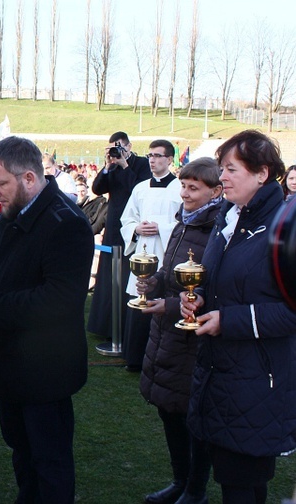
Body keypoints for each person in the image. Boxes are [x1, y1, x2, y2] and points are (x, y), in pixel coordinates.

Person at [0, 136, 93, 503]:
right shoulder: (15, 211)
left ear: (28, 178)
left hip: (46, 369)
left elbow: (60, 299)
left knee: (50, 462)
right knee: (23, 454)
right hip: (11, 363)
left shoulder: (66, 223)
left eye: (0, 183)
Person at [181, 130, 296, 504]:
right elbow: (220, 283)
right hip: (218, 373)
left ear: (262, 174)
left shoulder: (286, 225)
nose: (222, 177)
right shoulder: (229, 217)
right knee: (231, 477)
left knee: (243, 484)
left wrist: (227, 321)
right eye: (220, 168)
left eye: (231, 169)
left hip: (258, 382)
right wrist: (194, 300)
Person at [136, 157, 223, 504]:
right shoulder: (182, 223)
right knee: (168, 409)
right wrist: (152, 282)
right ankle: (179, 481)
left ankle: (195, 491)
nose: (184, 194)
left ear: (216, 191)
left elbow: (212, 291)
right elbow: (175, 274)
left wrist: (171, 306)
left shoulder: (218, 230)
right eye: (183, 186)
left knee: (192, 417)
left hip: (193, 338)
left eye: (193, 188)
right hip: (166, 334)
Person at [120, 139, 182, 370]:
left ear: (169, 159)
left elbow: (183, 222)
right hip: (142, 253)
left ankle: (160, 358)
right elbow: (127, 218)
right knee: (139, 303)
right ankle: (134, 358)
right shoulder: (140, 188)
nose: (153, 160)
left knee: (162, 302)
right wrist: (136, 229)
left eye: (158, 155)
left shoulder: (179, 188)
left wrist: (162, 227)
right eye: (150, 156)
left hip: (167, 254)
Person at [87, 132, 151, 342]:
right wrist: (107, 166)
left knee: (125, 275)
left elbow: (140, 189)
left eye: (120, 147)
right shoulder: (111, 166)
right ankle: (105, 325)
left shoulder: (141, 164)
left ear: (129, 146)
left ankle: (125, 325)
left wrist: (125, 165)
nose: (116, 151)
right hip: (114, 224)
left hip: (133, 225)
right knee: (108, 275)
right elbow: (97, 188)